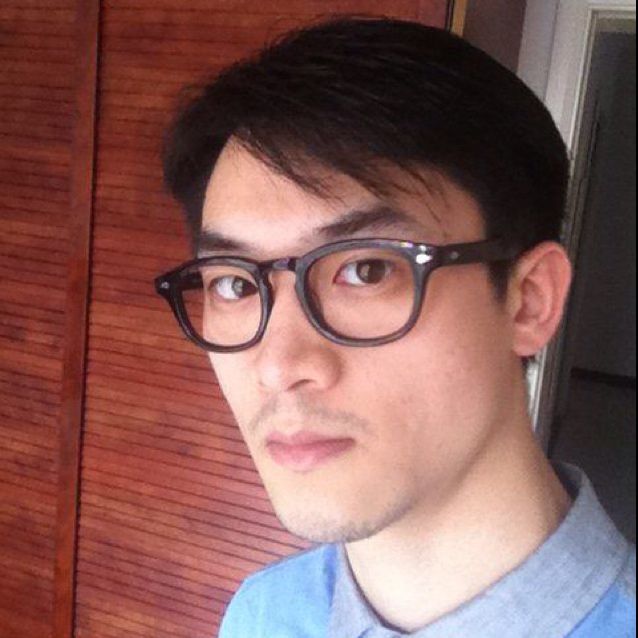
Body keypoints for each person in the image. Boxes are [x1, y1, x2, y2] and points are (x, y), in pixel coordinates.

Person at [155, 17, 636, 638]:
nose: (277, 366)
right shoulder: (264, 614)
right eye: (234, 284)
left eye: (367, 269)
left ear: (529, 301)